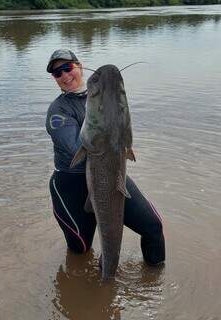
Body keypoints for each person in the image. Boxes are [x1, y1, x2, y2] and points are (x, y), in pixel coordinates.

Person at [45, 49, 165, 266]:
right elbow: (77, 150)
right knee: (81, 249)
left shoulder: (104, 96)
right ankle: (87, 286)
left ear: (79, 66)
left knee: (153, 227)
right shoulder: (58, 111)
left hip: (112, 173)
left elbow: (122, 134)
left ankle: (155, 282)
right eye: (57, 73)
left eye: (67, 68)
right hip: (71, 183)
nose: (64, 75)